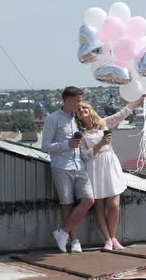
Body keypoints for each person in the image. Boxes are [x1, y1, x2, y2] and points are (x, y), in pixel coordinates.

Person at [76, 96, 144, 250]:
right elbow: (85, 155)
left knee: (114, 205)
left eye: (84, 108)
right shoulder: (81, 133)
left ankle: (113, 238)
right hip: (94, 166)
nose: (81, 111)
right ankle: (108, 239)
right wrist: (100, 144)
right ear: (77, 117)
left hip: (109, 163)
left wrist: (140, 97)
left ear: (90, 110)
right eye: (78, 110)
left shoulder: (103, 123)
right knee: (99, 205)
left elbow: (123, 113)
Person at [41, 86, 94, 253]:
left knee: (88, 200)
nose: (80, 104)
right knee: (67, 204)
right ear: (68, 100)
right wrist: (67, 144)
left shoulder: (76, 118)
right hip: (62, 166)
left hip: (79, 164)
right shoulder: (53, 118)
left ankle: (62, 233)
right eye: (78, 101)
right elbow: (45, 146)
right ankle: (74, 240)